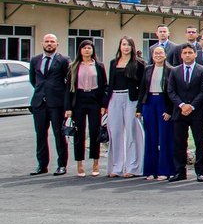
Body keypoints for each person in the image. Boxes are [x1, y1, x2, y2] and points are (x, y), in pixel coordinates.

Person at [166, 44, 203, 182]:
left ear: (195, 54)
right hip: (179, 112)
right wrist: (182, 105)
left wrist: (191, 106)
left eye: (190, 52)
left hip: (197, 113)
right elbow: (171, 91)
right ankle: (180, 171)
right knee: (179, 142)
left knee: (199, 142)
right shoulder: (175, 71)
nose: (187, 55)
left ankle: (200, 171)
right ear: (181, 55)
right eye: (184, 53)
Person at [64, 40, 107, 178]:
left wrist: (103, 105)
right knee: (79, 133)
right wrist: (68, 107)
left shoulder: (99, 66)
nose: (87, 50)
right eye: (84, 48)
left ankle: (95, 163)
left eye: (89, 48)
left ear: (93, 50)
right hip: (79, 100)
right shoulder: (73, 66)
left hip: (94, 99)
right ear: (80, 50)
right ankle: (80, 164)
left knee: (95, 132)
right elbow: (68, 89)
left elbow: (104, 86)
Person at [29, 34, 70, 176]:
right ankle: (42, 165)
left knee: (59, 134)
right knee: (40, 134)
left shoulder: (63, 60)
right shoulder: (35, 60)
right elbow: (33, 80)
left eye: (52, 41)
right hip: (39, 103)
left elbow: (68, 81)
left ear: (57, 44)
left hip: (57, 103)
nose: (49, 44)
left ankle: (62, 165)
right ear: (42, 43)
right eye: (46, 41)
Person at [105, 37, 145, 177]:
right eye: (123, 44)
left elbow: (142, 87)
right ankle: (116, 167)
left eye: (128, 45)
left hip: (131, 99)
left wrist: (139, 106)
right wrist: (105, 104)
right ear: (120, 46)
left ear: (132, 47)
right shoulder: (113, 63)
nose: (126, 47)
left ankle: (132, 167)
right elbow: (110, 84)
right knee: (115, 133)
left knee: (132, 132)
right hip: (114, 98)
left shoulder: (139, 64)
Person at [138, 45, 174, 180]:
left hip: (163, 103)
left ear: (165, 55)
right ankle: (150, 170)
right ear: (152, 56)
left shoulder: (171, 70)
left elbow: (172, 92)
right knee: (150, 137)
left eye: (161, 53)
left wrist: (169, 110)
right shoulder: (147, 69)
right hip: (149, 103)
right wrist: (139, 108)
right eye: (155, 53)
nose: (158, 55)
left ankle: (165, 170)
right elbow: (142, 89)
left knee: (164, 138)